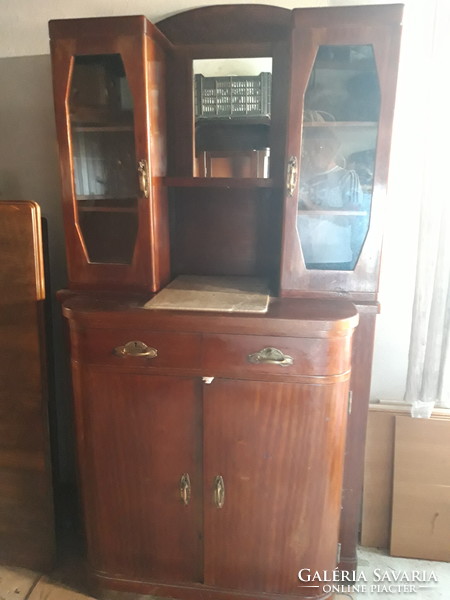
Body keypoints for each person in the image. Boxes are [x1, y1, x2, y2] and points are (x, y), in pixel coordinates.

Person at [297, 128, 364, 270]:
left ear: (330, 150)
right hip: (300, 258)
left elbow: (350, 218)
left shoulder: (347, 177)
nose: (310, 154)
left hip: (334, 259)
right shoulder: (299, 178)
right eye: (307, 150)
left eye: (316, 148)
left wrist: (312, 207)